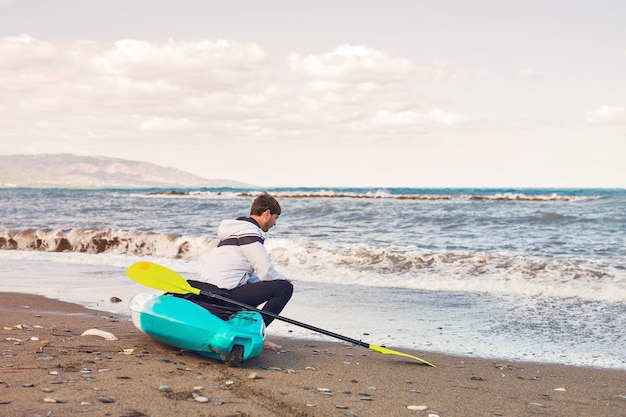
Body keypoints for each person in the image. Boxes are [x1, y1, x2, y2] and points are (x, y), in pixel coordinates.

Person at [198, 192, 293, 350]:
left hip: (208, 293)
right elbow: (266, 272)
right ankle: (254, 335)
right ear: (267, 214)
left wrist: (276, 280)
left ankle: (244, 330)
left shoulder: (234, 232)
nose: (275, 223)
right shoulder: (249, 232)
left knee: (274, 285)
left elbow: (252, 277)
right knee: (285, 289)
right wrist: (282, 281)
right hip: (224, 296)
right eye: (276, 218)